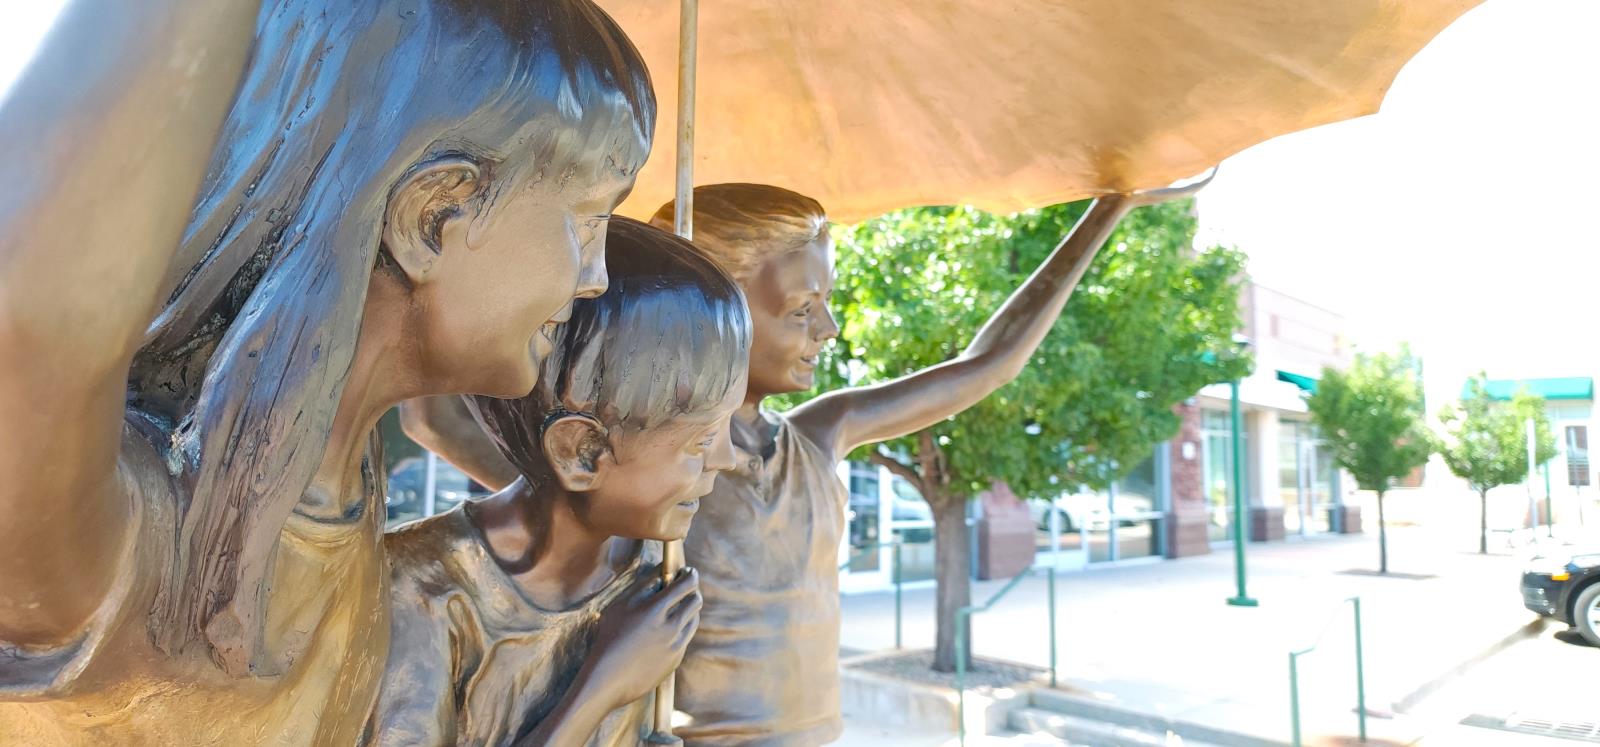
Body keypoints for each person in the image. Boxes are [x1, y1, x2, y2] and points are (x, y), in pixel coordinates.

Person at [0, 1, 654, 743]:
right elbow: (25, 329)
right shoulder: (145, 544)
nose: (597, 276)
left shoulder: (340, 477)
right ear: (433, 216)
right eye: (590, 219)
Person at [402, 178, 1210, 745]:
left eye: (827, 304)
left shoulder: (821, 435)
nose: (827, 328)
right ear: (712, 298)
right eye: (802, 306)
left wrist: (1106, 213)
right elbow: (436, 413)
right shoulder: (639, 482)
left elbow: (985, 365)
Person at [369, 219, 750, 747]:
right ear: (582, 452)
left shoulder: (650, 576)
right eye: (703, 440)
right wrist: (604, 685)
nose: (729, 459)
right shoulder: (419, 590)